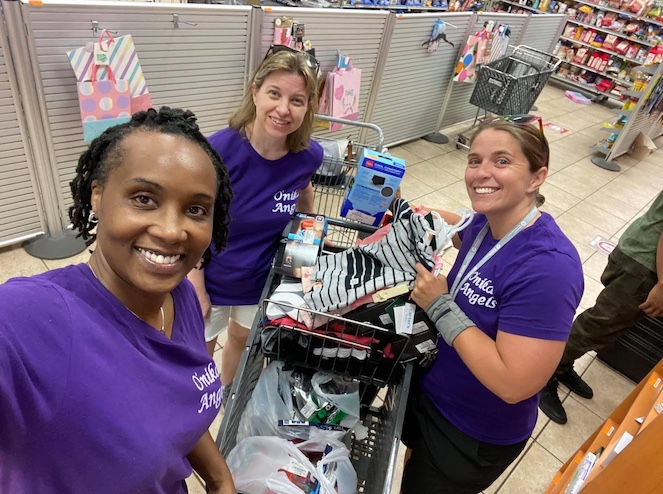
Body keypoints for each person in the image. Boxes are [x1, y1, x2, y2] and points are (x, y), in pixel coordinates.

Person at [0, 107, 237, 494]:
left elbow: (180, 409)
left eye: (196, 209)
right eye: (144, 199)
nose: (172, 230)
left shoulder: (180, 299)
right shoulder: (31, 318)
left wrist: (219, 479)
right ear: (98, 196)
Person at [402, 116, 584, 494]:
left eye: (502, 161)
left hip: (471, 430)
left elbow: (513, 383)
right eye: (474, 160)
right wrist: (411, 213)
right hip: (433, 388)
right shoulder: (490, 222)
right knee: (413, 464)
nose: (481, 172)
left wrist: (439, 305)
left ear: (536, 178)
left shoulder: (548, 268)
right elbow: (459, 228)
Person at [187, 46, 323, 399]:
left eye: (297, 100)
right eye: (274, 94)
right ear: (255, 93)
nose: (283, 109)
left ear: (308, 107)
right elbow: (192, 221)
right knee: (199, 350)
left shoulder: (308, 155)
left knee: (242, 338)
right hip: (212, 276)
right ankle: (200, 405)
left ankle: (226, 397)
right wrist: (196, 287)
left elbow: (305, 197)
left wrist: (303, 266)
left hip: (259, 278)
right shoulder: (218, 150)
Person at [540, 191, 663, 425]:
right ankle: (543, 376)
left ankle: (561, 365)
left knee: (604, 326)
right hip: (645, 264)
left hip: (641, 255)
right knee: (598, 326)